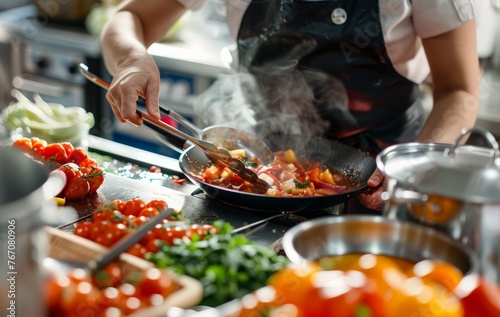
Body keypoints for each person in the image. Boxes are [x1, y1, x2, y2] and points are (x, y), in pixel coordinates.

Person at [100, 0, 488, 211]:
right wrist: (133, 58)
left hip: (384, 176)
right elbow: (130, 17)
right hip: (256, 176)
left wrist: (411, 170)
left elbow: (459, 91)